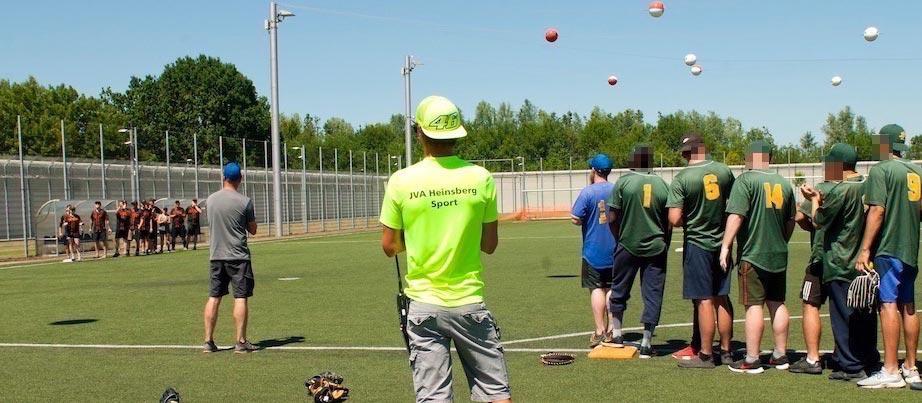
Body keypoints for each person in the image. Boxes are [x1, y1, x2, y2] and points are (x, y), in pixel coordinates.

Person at [380, 96, 510, 403]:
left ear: (420, 133)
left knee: (433, 397)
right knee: (494, 393)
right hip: (469, 302)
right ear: (456, 134)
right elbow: (489, 245)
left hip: (423, 305)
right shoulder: (481, 178)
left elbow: (389, 246)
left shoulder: (401, 181)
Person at [790, 144, 880, 380]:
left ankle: (847, 364)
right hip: (863, 259)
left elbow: (816, 219)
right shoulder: (869, 184)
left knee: (837, 312)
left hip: (837, 258)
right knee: (863, 312)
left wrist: (814, 199)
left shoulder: (839, 189)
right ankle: (867, 358)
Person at [856, 124, 922, 389]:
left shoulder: (882, 170)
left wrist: (864, 249)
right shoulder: (917, 170)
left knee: (888, 304)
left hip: (889, 247)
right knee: (908, 305)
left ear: (883, 144)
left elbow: (877, 211)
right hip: (910, 248)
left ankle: (891, 369)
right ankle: (911, 366)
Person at [721, 140, 795, 374]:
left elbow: (736, 215)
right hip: (778, 253)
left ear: (749, 157)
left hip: (753, 253)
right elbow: (791, 219)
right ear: (770, 158)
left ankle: (752, 359)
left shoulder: (745, 181)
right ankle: (780, 355)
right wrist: (782, 240)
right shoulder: (783, 183)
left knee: (754, 305)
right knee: (777, 303)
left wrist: (726, 245)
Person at [667, 134, 736, 369]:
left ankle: (706, 354)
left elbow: (674, 218)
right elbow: (734, 204)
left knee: (704, 299)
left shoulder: (683, 177)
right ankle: (726, 350)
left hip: (698, 243)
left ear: (688, 153)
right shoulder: (725, 171)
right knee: (722, 297)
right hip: (722, 243)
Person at [607, 144, 671, 359]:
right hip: (656, 247)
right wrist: (665, 243)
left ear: (632, 161)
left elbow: (612, 216)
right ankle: (646, 342)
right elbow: (669, 222)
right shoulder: (663, 184)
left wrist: (619, 239)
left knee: (619, 288)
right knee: (653, 293)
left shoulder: (624, 182)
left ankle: (616, 334)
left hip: (627, 244)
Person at [202, 162, 258, 354]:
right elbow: (253, 229)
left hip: (216, 255)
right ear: (240, 179)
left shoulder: (210, 200)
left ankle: (208, 341)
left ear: (223, 177)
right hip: (238, 256)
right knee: (240, 297)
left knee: (214, 297)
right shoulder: (245, 202)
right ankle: (240, 341)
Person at [570, 153, 617, 348]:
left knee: (597, 288)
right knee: (613, 289)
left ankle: (599, 331)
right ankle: (614, 329)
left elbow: (575, 217)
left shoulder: (587, 192)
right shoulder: (617, 190)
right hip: (615, 249)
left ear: (594, 170)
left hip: (593, 250)